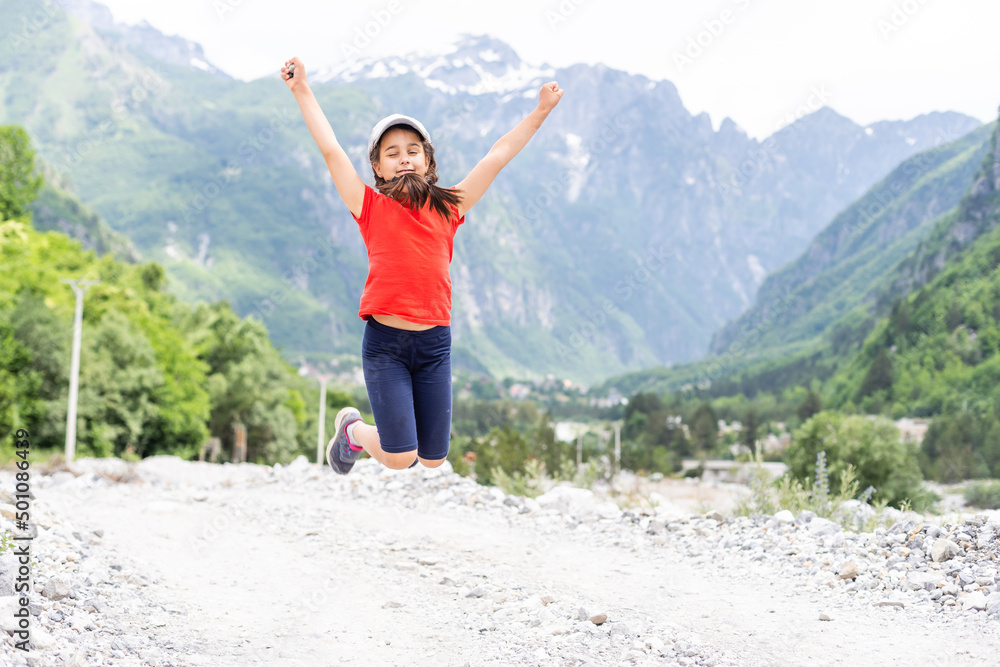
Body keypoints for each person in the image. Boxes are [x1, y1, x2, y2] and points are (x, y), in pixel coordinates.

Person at [281, 56, 563, 474]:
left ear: (428, 162)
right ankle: (352, 431)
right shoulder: (369, 206)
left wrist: (539, 112)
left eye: (413, 151)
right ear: (377, 167)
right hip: (386, 346)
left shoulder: (449, 206)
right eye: (392, 153)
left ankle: (377, 437)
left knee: (432, 459)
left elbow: (496, 157)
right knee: (399, 457)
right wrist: (301, 87)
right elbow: (330, 148)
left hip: (434, 346)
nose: (404, 159)